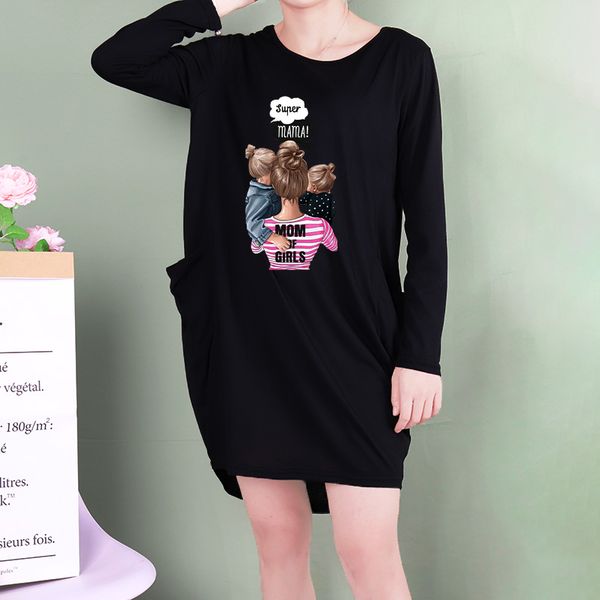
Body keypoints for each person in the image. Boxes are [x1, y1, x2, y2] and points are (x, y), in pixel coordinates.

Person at [91, 0, 448, 598]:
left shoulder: (400, 60)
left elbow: (428, 223)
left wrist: (419, 354)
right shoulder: (227, 64)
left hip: (358, 340)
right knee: (277, 543)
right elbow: (117, 59)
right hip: (251, 342)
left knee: (367, 550)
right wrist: (218, 3)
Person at [250, 140, 338, 270]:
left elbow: (255, 249)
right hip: (309, 281)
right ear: (304, 184)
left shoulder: (263, 227)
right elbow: (334, 247)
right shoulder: (321, 226)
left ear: (274, 185)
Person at [244, 143, 291, 250]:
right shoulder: (259, 197)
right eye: (275, 171)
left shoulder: (269, 187)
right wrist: (274, 238)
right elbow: (252, 224)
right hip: (265, 237)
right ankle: (257, 244)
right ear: (264, 175)